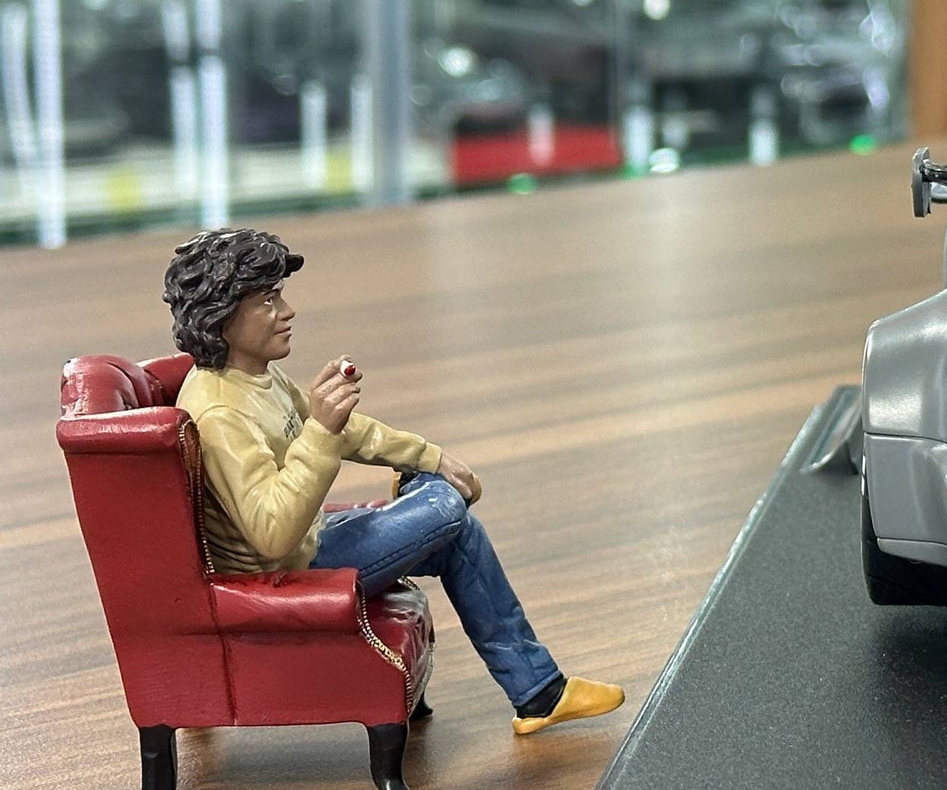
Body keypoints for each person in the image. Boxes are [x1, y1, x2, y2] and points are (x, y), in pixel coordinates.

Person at [161, 226, 624, 735]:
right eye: (268, 301)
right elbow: (271, 533)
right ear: (222, 315)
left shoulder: (253, 376)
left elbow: (347, 432)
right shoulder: (221, 413)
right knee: (446, 510)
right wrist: (321, 431)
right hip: (286, 569)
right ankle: (427, 504)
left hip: (308, 543)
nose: (287, 311)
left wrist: (430, 456)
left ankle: (539, 693)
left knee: (455, 527)